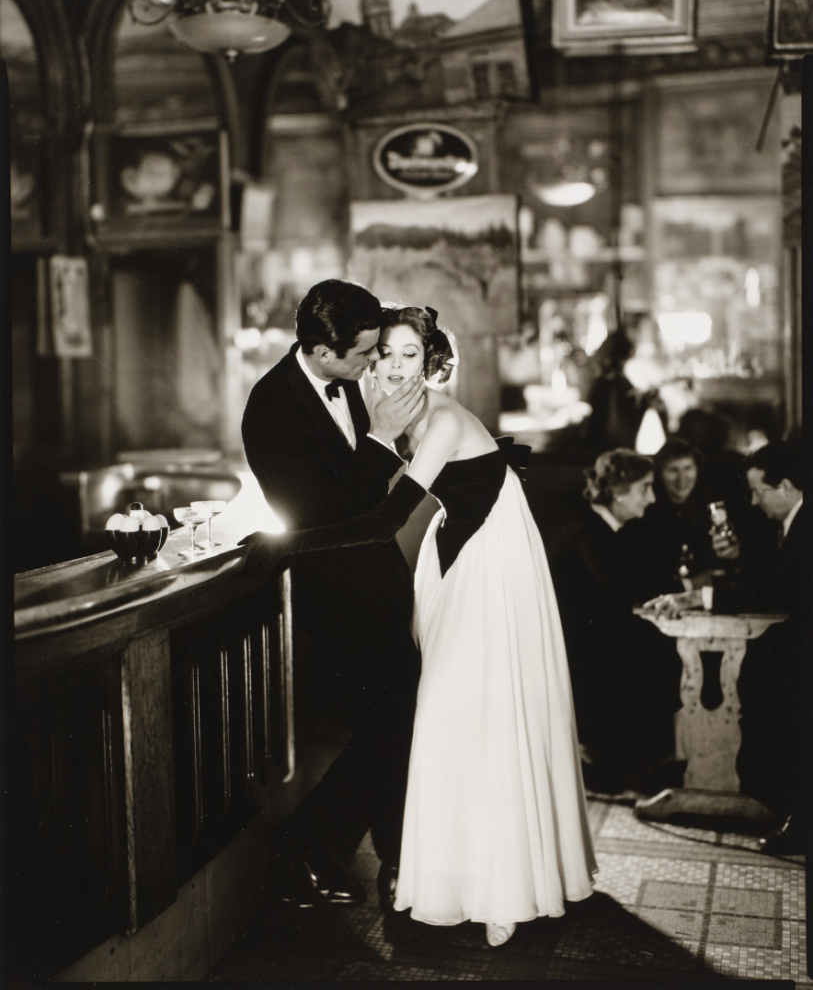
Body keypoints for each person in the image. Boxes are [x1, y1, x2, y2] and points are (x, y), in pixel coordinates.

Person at [241, 306, 597, 948]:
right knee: (441, 716)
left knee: (465, 714)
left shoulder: (439, 419)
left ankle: (500, 886)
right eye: (384, 355)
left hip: (490, 562)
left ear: (429, 360)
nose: (394, 367)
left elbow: (384, 518)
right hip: (457, 549)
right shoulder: (393, 410)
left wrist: (283, 545)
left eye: (409, 355)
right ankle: (441, 870)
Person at [241, 279, 425, 911]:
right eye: (366, 351)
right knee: (390, 721)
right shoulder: (271, 409)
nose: (375, 362)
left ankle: (390, 858)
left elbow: (368, 498)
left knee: (395, 720)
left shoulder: (346, 379)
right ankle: (309, 843)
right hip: (335, 592)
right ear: (322, 351)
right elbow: (325, 515)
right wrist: (380, 442)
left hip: (378, 576)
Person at [646, 440, 808, 855]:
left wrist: (698, 597)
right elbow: (770, 583)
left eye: (759, 491)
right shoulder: (790, 522)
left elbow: (776, 594)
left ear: (785, 487)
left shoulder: (803, 527)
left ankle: (791, 814)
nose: (753, 502)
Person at [547, 449, 683, 795]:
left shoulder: (608, 527)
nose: (651, 498)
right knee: (659, 650)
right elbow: (628, 590)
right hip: (575, 649)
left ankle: (645, 760)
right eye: (645, 488)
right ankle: (626, 764)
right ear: (619, 492)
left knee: (659, 645)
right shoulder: (587, 530)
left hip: (595, 641)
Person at [621, 438, 718, 595]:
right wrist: (689, 584)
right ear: (659, 473)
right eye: (673, 470)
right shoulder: (644, 511)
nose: (682, 477)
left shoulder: (708, 505)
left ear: (697, 469)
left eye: (688, 468)